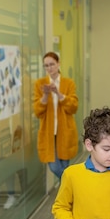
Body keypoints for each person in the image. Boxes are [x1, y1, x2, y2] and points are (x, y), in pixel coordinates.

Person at [33, 52, 78, 180]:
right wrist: (46, 95)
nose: (49, 68)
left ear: (58, 64)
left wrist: (58, 93)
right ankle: (72, 185)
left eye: (52, 64)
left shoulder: (68, 83)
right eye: (46, 66)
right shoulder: (40, 84)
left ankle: (66, 197)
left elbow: (73, 107)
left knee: (64, 165)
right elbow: (37, 111)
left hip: (64, 131)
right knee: (55, 167)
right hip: (48, 132)